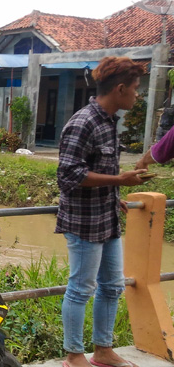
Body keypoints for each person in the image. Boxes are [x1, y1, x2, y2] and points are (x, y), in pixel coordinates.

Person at [56, 56, 147, 367]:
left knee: (112, 285)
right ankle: (73, 355)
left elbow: (97, 169)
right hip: (83, 222)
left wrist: (115, 191)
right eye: (135, 89)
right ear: (120, 89)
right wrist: (120, 180)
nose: (138, 95)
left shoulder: (109, 122)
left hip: (107, 217)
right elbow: (68, 176)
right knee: (81, 288)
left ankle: (103, 351)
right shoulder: (82, 123)